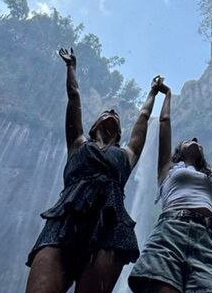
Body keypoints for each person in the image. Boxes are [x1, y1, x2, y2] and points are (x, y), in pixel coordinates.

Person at [25, 47, 164, 293]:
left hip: (110, 227)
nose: (112, 112)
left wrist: (152, 92)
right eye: (106, 111)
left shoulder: (126, 155)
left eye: (117, 115)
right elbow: (74, 96)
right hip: (65, 219)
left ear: (121, 133)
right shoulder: (78, 144)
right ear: (92, 126)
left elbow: (143, 117)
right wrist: (71, 67)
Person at [127, 83, 212, 293]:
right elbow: (165, 122)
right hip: (171, 229)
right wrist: (167, 94)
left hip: (205, 238)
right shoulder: (168, 170)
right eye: (190, 139)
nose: (196, 140)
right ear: (178, 152)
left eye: (198, 141)